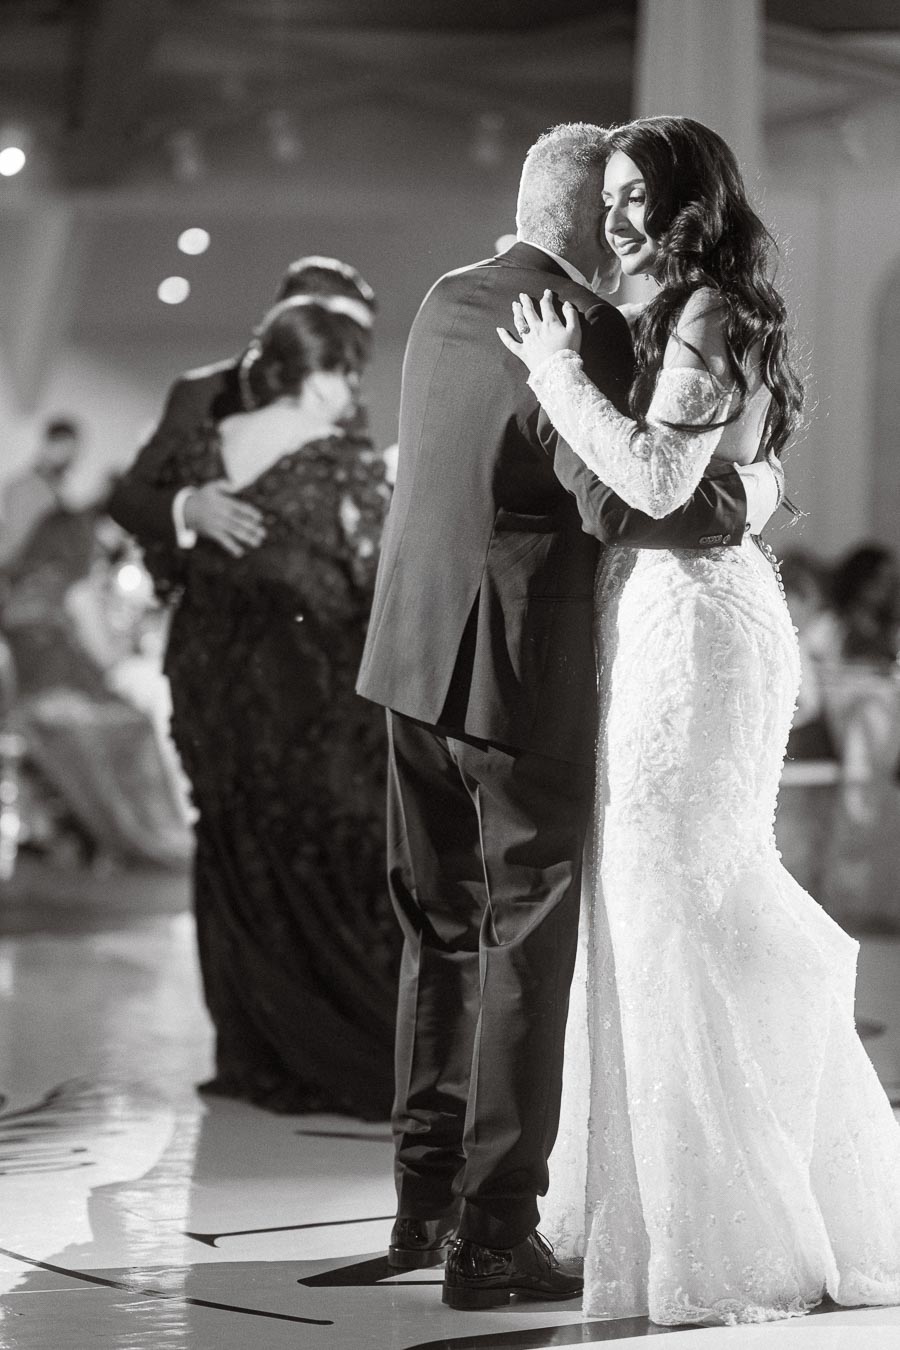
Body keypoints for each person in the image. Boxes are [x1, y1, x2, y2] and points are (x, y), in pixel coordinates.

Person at [356, 121, 783, 1308]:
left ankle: (422, 1196)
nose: (623, 227)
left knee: (438, 939)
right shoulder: (583, 331)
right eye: (616, 204)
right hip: (505, 678)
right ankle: (492, 1238)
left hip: (407, 664)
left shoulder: (448, 294)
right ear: (587, 211)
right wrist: (755, 488)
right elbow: (637, 505)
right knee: (521, 949)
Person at [499, 115, 900, 1325]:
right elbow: (715, 483)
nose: (616, 216)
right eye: (608, 196)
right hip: (675, 615)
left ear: (687, 198)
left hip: (701, 629)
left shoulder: (712, 311)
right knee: (666, 898)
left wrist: (559, 378)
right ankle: (690, 1201)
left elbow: (666, 485)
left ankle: (725, 1230)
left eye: (635, 195)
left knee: (672, 896)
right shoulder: (692, 312)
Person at [144, 296, 396, 1117]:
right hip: (307, 698)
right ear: (315, 373)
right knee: (331, 851)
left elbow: (164, 551)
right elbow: (371, 584)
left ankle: (256, 1051)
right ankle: (341, 1049)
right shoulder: (342, 461)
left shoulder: (208, 451)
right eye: (343, 368)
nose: (350, 386)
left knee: (239, 853)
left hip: (215, 695)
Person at [107, 256, 376, 560]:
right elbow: (126, 498)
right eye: (344, 330)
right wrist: (189, 510)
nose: (354, 353)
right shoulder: (204, 392)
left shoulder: (348, 410)